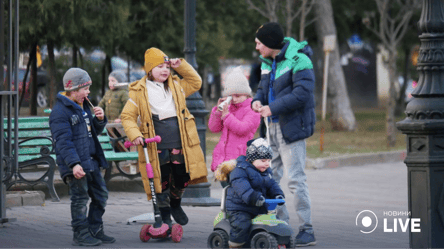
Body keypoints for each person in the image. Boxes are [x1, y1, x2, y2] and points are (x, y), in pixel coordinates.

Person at [120, 47, 208, 229]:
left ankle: (175, 203)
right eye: (160, 66)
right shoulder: (139, 91)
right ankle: (165, 215)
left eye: (167, 66)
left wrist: (181, 66)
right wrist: (135, 134)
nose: (165, 70)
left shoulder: (176, 85)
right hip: (156, 143)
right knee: (162, 179)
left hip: (179, 140)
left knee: (182, 175)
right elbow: (127, 116)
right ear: (150, 69)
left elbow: (196, 82)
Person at [251, 22, 317, 246]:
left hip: (292, 130)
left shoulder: (300, 60)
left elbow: (302, 95)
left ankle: (307, 230)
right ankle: (280, 226)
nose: (257, 47)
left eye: (259, 43)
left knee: (296, 180)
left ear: (270, 43)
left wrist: (273, 108)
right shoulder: (267, 63)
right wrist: (257, 100)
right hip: (271, 128)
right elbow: (262, 88)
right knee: (271, 179)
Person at [49, 68, 115, 246]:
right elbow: (63, 142)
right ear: (74, 89)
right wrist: (74, 164)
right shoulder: (60, 112)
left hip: (90, 161)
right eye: (85, 88)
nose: (88, 92)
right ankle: (80, 233)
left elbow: (90, 133)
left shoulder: (84, 107)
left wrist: (99, 121)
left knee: (101, 195)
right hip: (76, 165)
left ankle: (95, 228)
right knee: (80, 199)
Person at [225, 138, 285, 248]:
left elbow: (272, 184)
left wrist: (278, 194)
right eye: (263, 161)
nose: (267, 164)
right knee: (242, 224)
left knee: (274, 221)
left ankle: (278, 239)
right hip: (240, 207)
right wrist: (254, 197)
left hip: (258, 205)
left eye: (268, 160)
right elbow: (243, 188)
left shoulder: (266, 171)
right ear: (252, 158)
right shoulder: (240, 170)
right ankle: (235, 244)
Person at [208, 67, 261, 188]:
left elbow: (242, 129)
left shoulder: (252, 109)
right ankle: (227, 208)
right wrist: (218, 111)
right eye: (231, 96)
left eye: (237, 95)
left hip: (239, 160)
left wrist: (226, 116)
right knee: (227, 192)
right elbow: (213, 128)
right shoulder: (229, 108)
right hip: (223, 160)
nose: (234, 99)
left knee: (237, 192)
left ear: (246, 94)